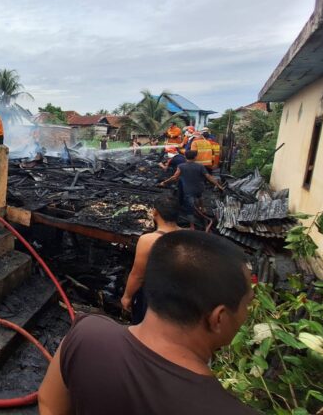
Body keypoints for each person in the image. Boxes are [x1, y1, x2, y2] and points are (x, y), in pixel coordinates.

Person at [39, 230, 257, 415]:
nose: (247, 313)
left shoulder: (86, 334)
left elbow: (48, 402)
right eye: (247, 304)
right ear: (218, 318)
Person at [120, 195, 182, 323]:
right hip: (180, 296)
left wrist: (127, 297)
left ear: (155, 212)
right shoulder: (190, 235)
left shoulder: (148, 240)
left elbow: (138, 275)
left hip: (154, 296)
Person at [159, 150, 223, 228]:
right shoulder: (200, 166)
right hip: (199, 188)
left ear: (185, 157)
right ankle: (202, 209)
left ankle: (192, 226)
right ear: (195, 157)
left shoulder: (181, 166)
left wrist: (164, 182)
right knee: (200, 197)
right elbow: (209, 177)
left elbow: (174, 177)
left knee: (190, 209)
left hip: (189, 191)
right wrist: (218, 185)